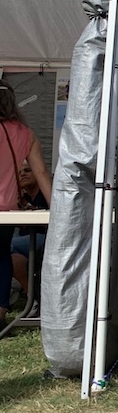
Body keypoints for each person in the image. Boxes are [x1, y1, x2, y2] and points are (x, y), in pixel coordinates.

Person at [0, 81, 53, 327]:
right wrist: (56, 212)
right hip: (8, 210)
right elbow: (41, 173)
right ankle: (1, 312)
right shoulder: (25, 133)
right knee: (2, 256)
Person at [10, 161, 50, 303]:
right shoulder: (20, 196)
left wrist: (30, 211)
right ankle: (32, 298)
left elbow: (55, 221)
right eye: (19, 173)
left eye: (27, 171)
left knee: (9, 244)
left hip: (46, 238)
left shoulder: (47, 193)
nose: (23, 175)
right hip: (25, 239)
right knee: (14, 260)